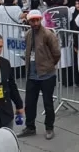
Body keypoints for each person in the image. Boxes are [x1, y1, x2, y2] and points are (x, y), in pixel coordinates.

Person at [19, 9, 60, 140]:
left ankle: (49, 128)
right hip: (31, 74)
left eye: (37, 20)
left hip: (46, 75)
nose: (35, 23)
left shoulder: (48, 34)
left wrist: (49, 65)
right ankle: (30, 127)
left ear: (40, 20)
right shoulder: (28, 34)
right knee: (30, 102)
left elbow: (56, 53)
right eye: (33, 21)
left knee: (48, 103)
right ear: (29, 21)